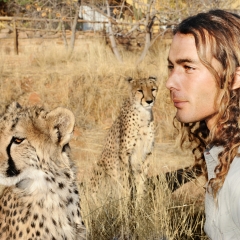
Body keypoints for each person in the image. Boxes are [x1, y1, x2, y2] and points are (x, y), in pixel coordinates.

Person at [166, 9, 240, 239]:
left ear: (235, 77)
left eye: (188, 67)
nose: (170, 82)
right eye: (171, 66)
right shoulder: (221, 152)